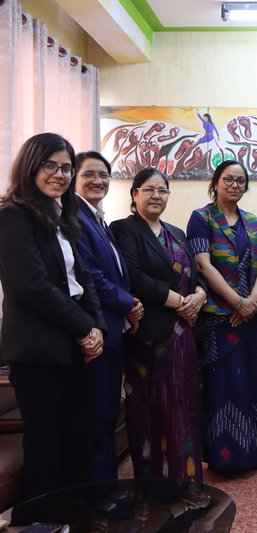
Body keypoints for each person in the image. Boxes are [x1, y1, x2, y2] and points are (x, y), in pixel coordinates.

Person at [0, 133, 105, 499]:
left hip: (74, 340)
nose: (58, 174)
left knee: (77, 436)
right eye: (50, 165)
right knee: (45, 446)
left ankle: (76, 516)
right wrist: (83, 328)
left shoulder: (63, 214)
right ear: (31, 165)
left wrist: (96, 326)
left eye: (65, 168)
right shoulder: (13, 216)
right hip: (38, 348)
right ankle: (42, 521)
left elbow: (83, 278)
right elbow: (34, 287)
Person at [110, 168, 205, 482]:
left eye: (162, 190)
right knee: (151, 408)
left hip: (183, 336)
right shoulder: (123, 229)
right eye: (148, 189)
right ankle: (155, 483)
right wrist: (181, 303)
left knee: (183, 404)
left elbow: (195, 276)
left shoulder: (177, 232)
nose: (156, 196)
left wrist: (199, 297)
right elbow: (134, 278)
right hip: (148, 338)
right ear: (134, 194)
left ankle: (186, 477)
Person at [187, 160, 257, 476]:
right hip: (219, 318)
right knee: (225, 385)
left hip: (251, 317)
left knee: (253, 381)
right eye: (228, 179)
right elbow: (202, 264)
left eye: (240, 181)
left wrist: (250, 301)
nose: (234, 185)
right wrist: (237, 301)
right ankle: (228, 456)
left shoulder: (254, 222)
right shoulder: (201, 218)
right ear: (216, 182)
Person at [74, 150, 144, 482]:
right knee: (95, 415)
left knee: (103, 413)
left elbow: (115, 272)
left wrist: (128, 304)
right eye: (89, 174)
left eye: (103, 175)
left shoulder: (98, 218)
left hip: (113, 328)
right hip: (96, 330)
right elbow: (91, 276)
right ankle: (100, 493)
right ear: (74, 178)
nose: (98, 180)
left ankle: (105, 488)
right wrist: (129, 302)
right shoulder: (74, 216)